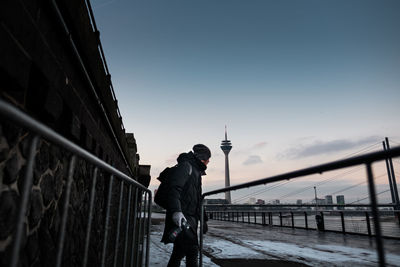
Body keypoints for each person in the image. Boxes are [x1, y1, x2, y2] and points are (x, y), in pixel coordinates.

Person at [161, 144, 211, 267]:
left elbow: (198, 198)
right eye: (207, 159)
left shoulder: (197, 172)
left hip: (190, 218)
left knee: (179, 252)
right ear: (202, 158)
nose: (208, 162)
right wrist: (176, 211)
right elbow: (175, 189)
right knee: (192, 250)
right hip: (183, 218)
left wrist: (203, 220)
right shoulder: (186, 167)